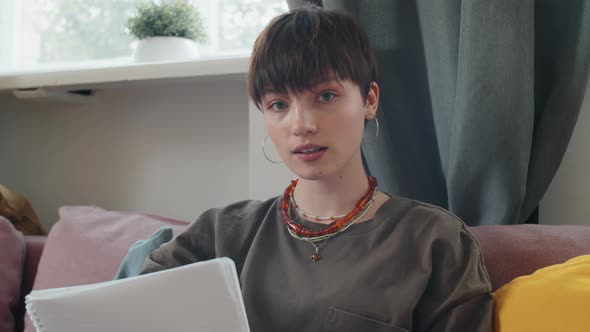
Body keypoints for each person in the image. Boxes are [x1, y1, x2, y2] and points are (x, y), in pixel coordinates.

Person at [141, 5, 492, 332]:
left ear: (369, 100)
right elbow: (126, 310)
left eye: (326, 96)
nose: (301, 124)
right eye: (278, 104)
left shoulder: (435, 241)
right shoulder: (220, 235)